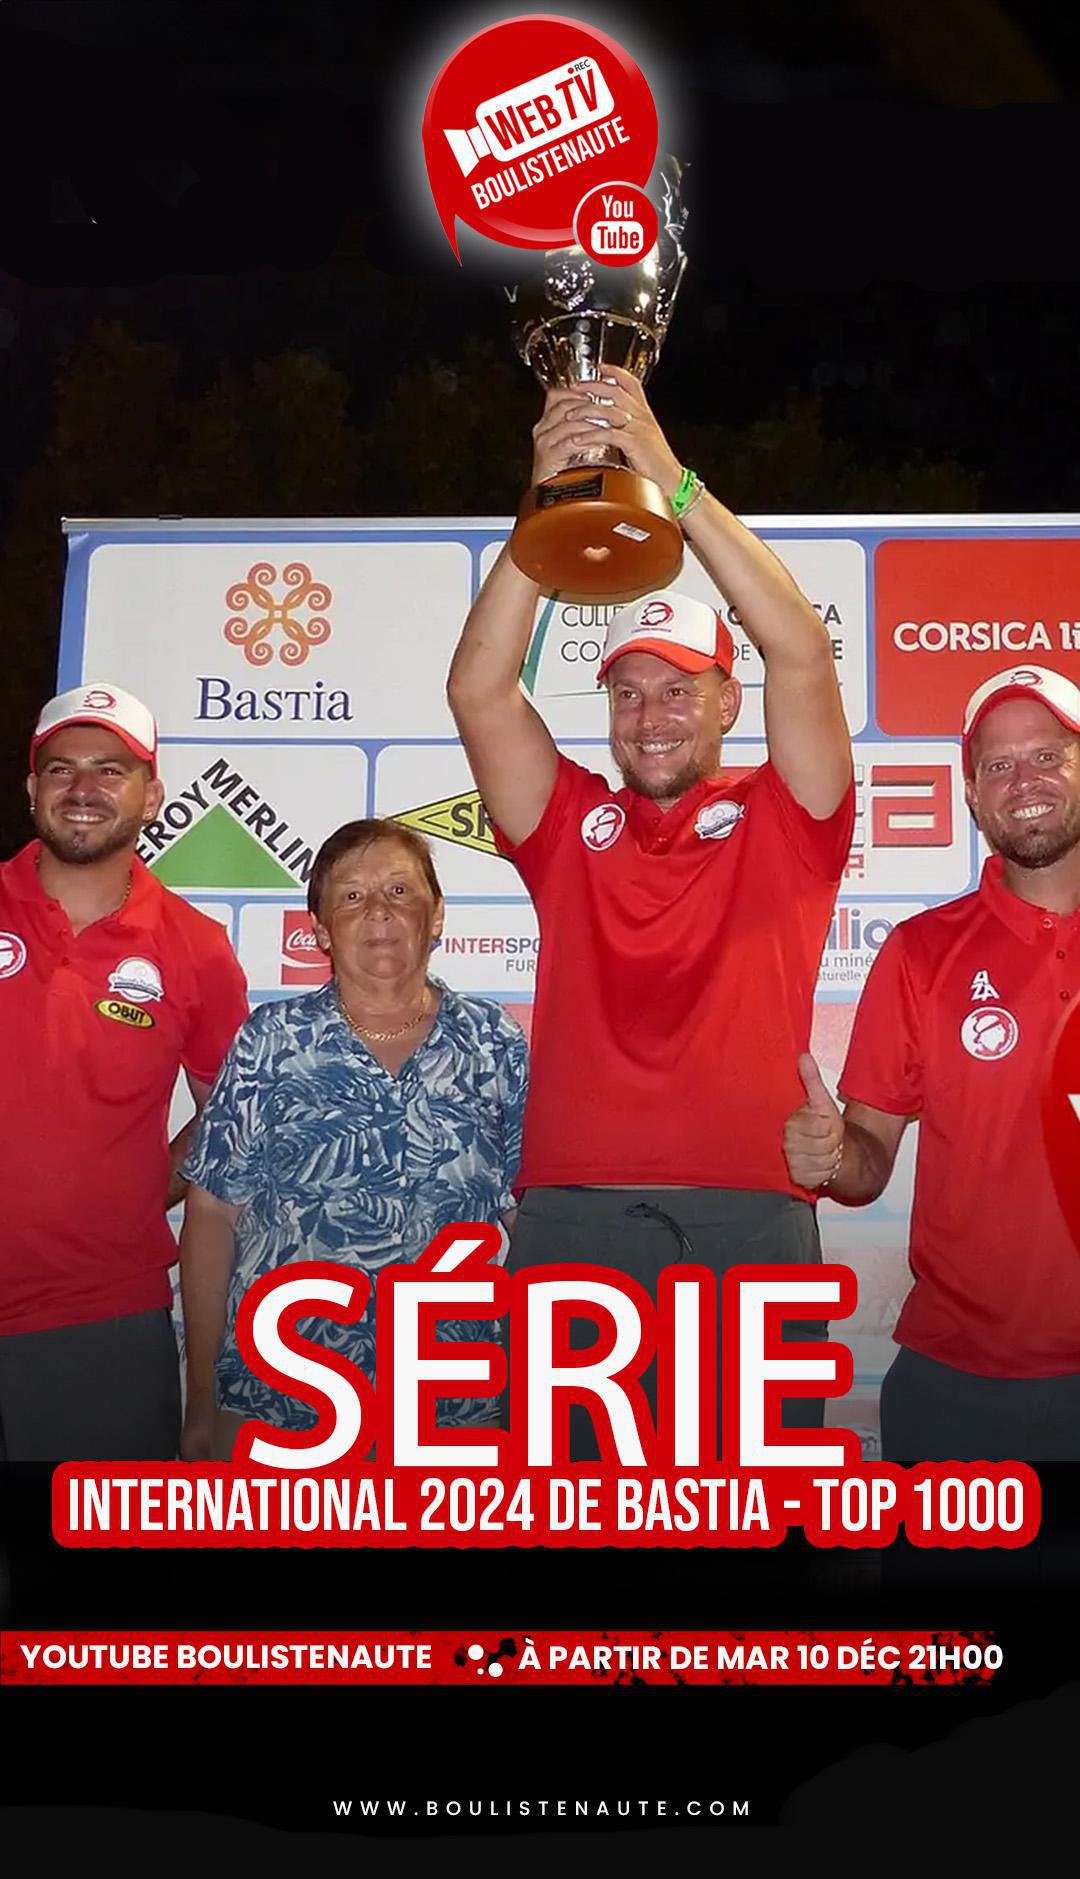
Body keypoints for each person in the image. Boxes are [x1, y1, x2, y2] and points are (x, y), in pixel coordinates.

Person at [447, 367, 853, 1453]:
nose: (651, 714)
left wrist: (669, 485)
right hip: (572, 1210)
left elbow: (801, 648)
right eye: (627, 691)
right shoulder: (569, 822)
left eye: (680, 686)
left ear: (729, 699)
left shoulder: (791, 815)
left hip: (750, 1208)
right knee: (577, 1536)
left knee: (752, 1524)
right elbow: (481, 691)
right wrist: (549, 495)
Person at [783, 663, 1080, 1461]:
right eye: (998, 765)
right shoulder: (922, 953)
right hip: (958, 1393)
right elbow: (869, 1162)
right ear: (975, 797)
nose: (1026, 780)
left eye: (1050, 755)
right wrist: (835, 1153)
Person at [179, 819, 528, 1459]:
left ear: (438, 914)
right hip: (283, 1401)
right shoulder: (271, 1042)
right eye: (351, 896)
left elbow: (528, 1215)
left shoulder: (492, 1041)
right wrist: (203, 1395)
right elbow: (210, 1216)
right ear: (319, 931)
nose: (378, 913)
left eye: (400, 892)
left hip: (454, 1408)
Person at [0, 681, 249, 1461]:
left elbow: (230, 1117)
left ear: (152, 795)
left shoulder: (196, 946)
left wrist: (150, 1186)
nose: (83, 789)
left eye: (111, 770)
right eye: (62, 768)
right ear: (31, 786)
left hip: (99, 1319)